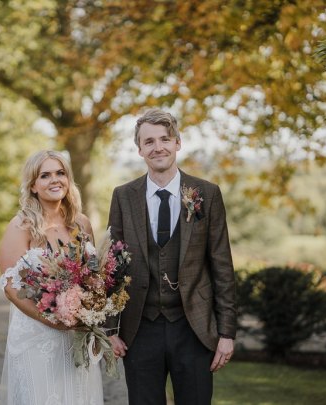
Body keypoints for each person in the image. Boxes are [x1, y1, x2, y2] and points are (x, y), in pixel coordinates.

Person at [107, 109, 237, 405]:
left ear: (178, 142)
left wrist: (226, 332)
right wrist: (110, 329)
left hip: (193, 328)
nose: (158, 147)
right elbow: (113, 267)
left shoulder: (207, 193)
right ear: (139, 149)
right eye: (149, 141)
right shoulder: (123, 196)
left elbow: (222, 266)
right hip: (139, 329)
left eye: (165, 139)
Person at [0, 150, 103, 405]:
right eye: (45, 175)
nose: (55, 180)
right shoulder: (21, 225)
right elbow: (10, 287)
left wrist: (91, 315)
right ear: (33, 185)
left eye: (60, 173)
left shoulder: (82, 224)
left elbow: (94, 277)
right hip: (38, 335)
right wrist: (53, 321)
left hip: (78, 333)